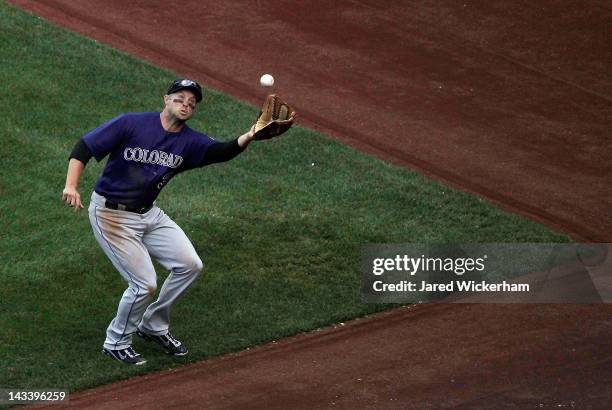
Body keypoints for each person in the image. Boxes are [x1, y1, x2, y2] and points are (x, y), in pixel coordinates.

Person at [62, 79, 260, 365]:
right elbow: (84, 147)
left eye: (191, 104)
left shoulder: (189, 142)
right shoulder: (131, 124)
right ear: (166, 99)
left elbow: (222, 152)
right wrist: (71, 185)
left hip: (148, 213)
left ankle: (153, 325)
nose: (185, 105)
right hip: (111, 215)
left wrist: (251, 134)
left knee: (190, 265)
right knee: (144, 284)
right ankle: (116, 341)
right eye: (180, 99)